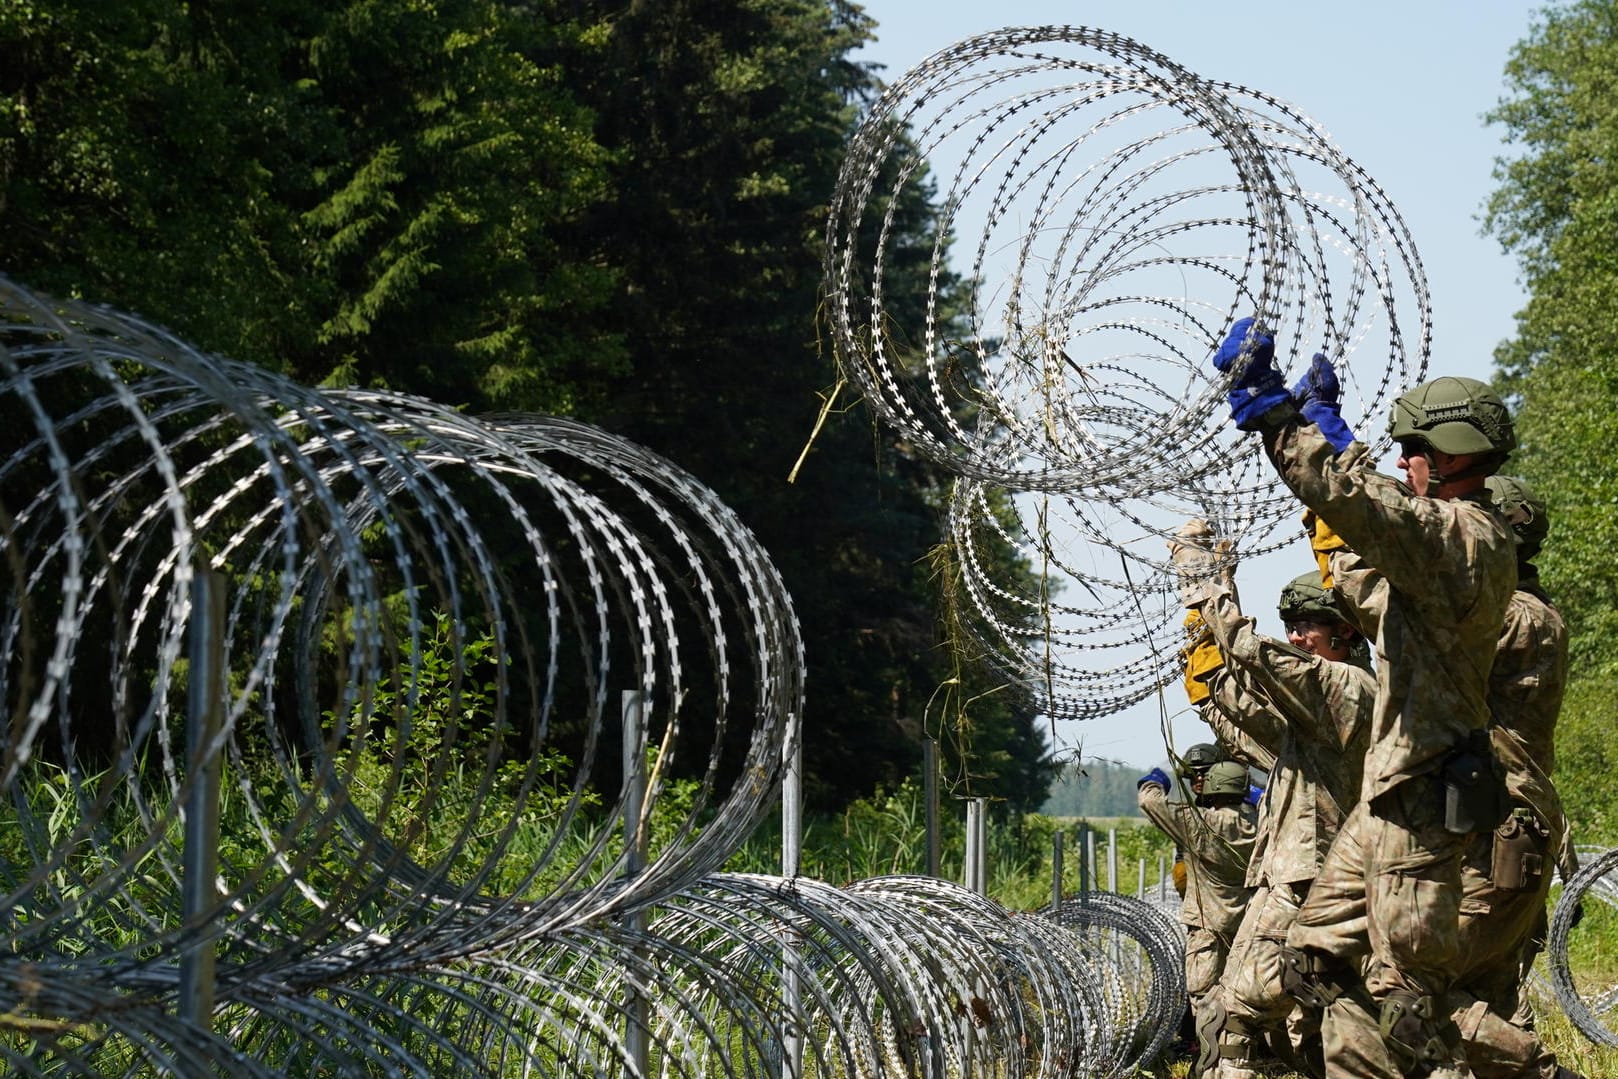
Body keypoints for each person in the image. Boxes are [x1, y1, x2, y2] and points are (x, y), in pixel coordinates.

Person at [1213, 323, 1518, 1076]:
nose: (1404, 464)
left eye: (1412, 450)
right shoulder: (1438, 553)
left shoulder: (1465, 538)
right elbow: (1359, 562)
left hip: (1422, 798)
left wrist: (1284, 423)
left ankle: (1526, 1067)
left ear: (1450, 455)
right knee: (1316, 960)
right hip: (1387, 798)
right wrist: (1327, 444)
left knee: (1410, 998)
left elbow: (1368, 508)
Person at [1172, 553, 1375, 1079]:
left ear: (1347, 631)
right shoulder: (1315, 711)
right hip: (1305, 879)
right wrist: (1206, 654)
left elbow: (1260, 661)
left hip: (1309, 881)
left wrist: (1213, 598)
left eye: (1306, 628)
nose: (1296, 638)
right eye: (1290, 628)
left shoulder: (1346, 688)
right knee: (1323, 1021)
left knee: (1237, 1012)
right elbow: (1246, 708)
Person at [1443, 475, 1581, 1079]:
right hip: (1499, 821)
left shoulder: (1514, 616)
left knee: (1416, 985)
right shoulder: (1524, 609)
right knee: (1489, 994)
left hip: (1493, 827)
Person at [1138, 757, 1258, 1023]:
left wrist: (1155, 780)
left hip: (1207, 928)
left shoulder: (1200, 823)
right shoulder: (1263, 821)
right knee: (1248, 996)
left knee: (1206, 1001)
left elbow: (1150, 802)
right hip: (1250, 926)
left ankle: (1213, 1060)